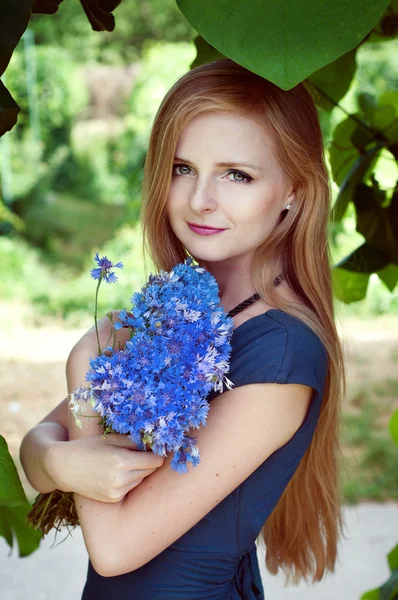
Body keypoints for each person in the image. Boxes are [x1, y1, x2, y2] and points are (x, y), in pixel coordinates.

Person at [20, 58, 347, 599]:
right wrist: (59, 462)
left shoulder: (282, 351)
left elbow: (115, 547)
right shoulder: (184, 308)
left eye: (236, 174)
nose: (201, 200)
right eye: (182, 168)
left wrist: (85, 362)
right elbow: (36, 447)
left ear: (294, 189)